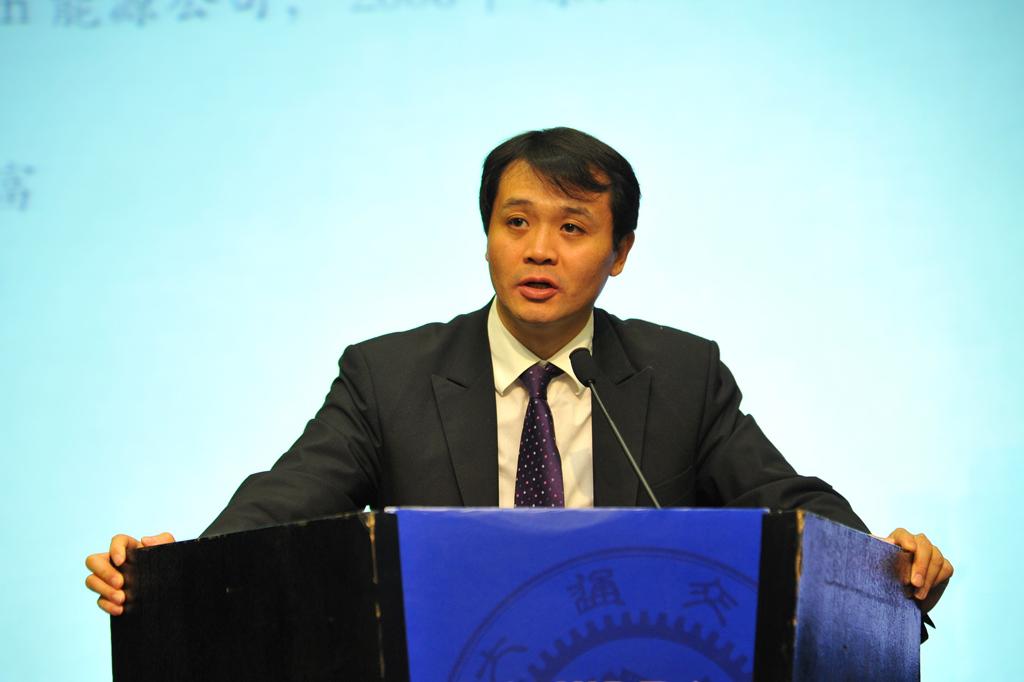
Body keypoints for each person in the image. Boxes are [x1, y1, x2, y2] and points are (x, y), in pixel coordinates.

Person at [86, 127, 953, 625]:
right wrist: (178, 570)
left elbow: (785, 497)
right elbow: (286, 500)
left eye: (572, 228)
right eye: (516, 222)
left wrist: (888, 565)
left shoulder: (680, 375)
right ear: (488, 237)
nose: (539, 249)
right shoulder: (389, 375)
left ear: (620, 253)